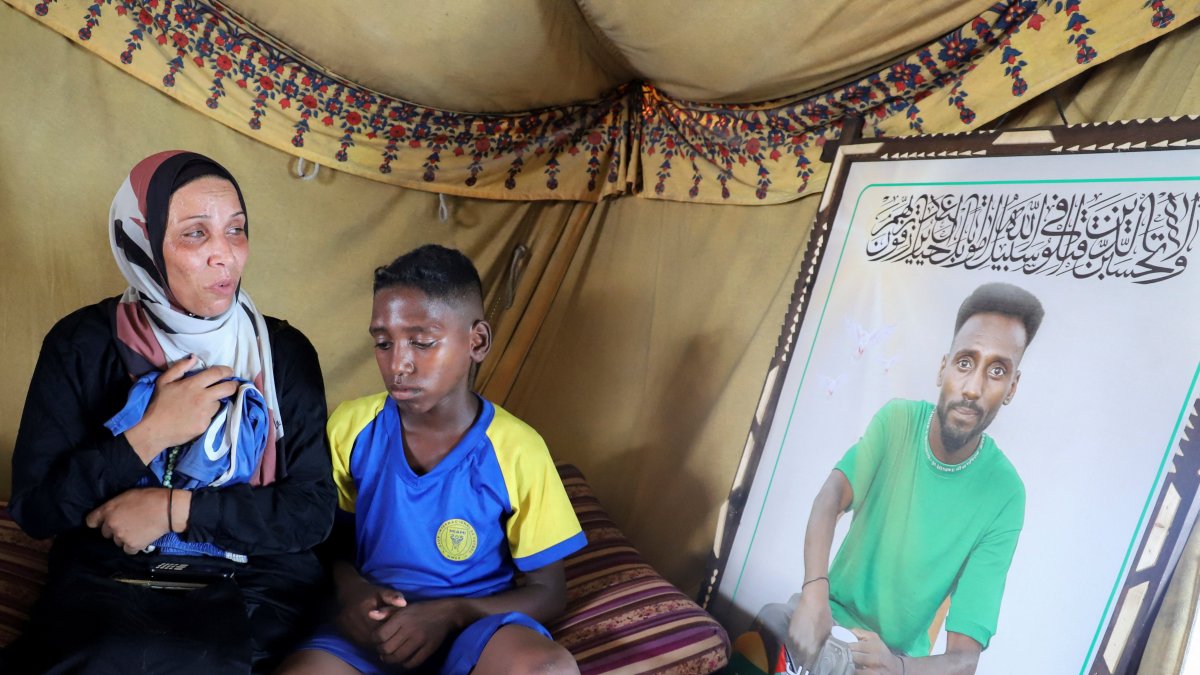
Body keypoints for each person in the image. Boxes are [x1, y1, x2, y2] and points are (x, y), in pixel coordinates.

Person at [3, 151, 337, 673]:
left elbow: (310, 513)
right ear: (142, 243)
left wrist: (173, 510)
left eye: (236, 230)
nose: (226, 256)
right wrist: (149, 434)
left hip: (254, 577)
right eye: (195, 234)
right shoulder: (81, 344)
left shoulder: (282, 353)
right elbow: (37, 511)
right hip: (116, 571)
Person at [279, 245, 587, 675]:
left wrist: (452, 613)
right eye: (383, 343)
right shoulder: (351, 427)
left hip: (478, 630)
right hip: (375, 631)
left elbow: (549, 592)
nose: (398, 364)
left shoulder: (517, 449)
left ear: (477, 341)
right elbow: (326, 541)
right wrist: (353, 592)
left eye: (422, 342)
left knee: (548, 669)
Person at [778, 282, 1044, 675]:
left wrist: (897, 667)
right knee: (758, 634)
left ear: (1011, 388)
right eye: (965, 363)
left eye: (997, 371)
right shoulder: (897, 421)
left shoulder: (1005, 495)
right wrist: (814, 593)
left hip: (895, 660)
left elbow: (964, 659)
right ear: (943, 368)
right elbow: (831, 495)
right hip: (825, 619)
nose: (973, 388)